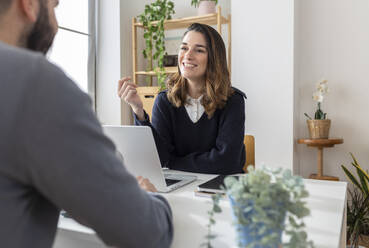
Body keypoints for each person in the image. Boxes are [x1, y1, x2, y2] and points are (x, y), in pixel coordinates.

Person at [0, 0, 173, 247]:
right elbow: (147, 232)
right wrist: (153, 200)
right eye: (54, 7)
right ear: (29, 4)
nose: (57, 26)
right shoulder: (37, 83)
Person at [118, 23, 246, 175]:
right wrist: (138, 111)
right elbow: (158, 158)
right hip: (181, 186)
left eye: (199, 50)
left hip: (222, 187)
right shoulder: (164, 100)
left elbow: (226, 162)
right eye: (184, 48)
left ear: (214, 58)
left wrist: (173, 162)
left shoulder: (233, 100)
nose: (188, 55)